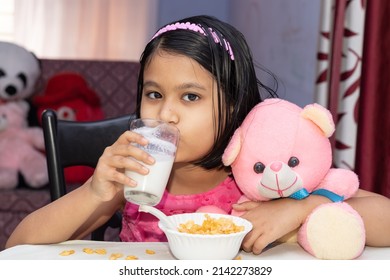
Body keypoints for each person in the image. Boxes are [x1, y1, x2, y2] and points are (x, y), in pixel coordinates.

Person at [6, 15, 390, 255]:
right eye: (154, 94)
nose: (166, 113)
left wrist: (299, 207)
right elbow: (18, 247)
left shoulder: (259, 174)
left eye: (190, 96)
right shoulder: (137, 173)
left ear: (235, 104)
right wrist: (95, 192)